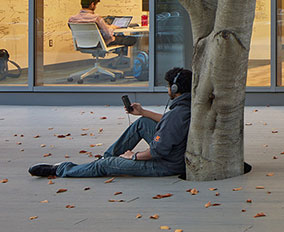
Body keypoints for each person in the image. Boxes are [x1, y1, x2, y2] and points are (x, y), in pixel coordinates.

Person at [29, 67, 192, 178]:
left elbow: (156, 152)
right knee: (143, 122)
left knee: (106, 166)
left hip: (166, 164)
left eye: (168, 86)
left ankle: (61, 169)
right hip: (175, 154)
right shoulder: (186, 107)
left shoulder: (176, 115)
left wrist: (133, 156)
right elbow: (170, 124)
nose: (167, 89)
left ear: (176, 89)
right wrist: (143, 112)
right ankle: (106, 158)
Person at [68, 0, 136, 51]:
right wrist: (112, 27)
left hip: (82, 44)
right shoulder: (96, 18)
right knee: (132, 39)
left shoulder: (72, 19)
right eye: (96, 5)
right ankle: (125, 62)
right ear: (92, 4)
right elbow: (108, 34)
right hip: (99, 44)